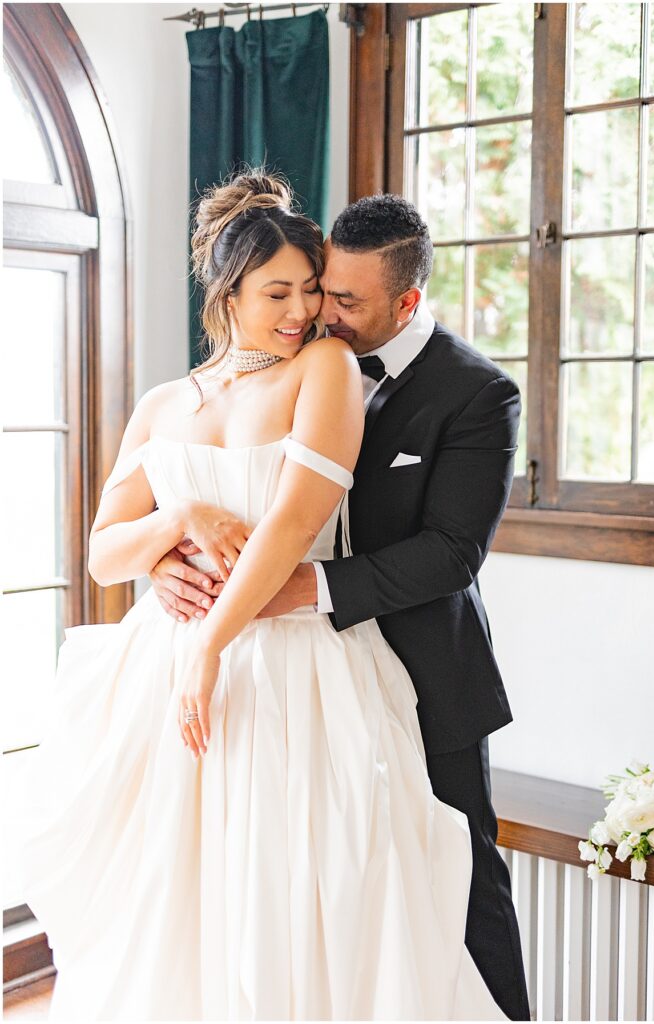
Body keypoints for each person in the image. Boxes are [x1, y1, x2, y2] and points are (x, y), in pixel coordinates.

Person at [16, 170, 508, 1021]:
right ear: (226, 293)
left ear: (401, 298)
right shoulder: (165, 401)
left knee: (362, 896)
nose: (309, 311)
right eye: (283, 291)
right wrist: (179, 520)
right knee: (184, 898)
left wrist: (213, 644)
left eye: (320, 293)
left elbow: (307, 528)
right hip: (169, 670)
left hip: (319, 662)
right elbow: (104, 553)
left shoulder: (341, 369)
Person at [150, 191, 531, 1021]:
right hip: (295, 686)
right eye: (320, 288)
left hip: (426, 678)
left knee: (457, 885)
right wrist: (166, 562)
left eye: (344, 300)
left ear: (406, 302)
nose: (322, 311)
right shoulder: (292, 361)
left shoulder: (476, 394)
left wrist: (305, 588)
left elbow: (451, 553)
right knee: (319, 892)